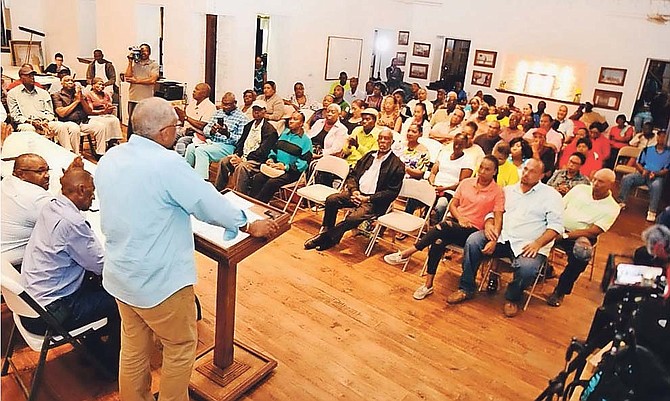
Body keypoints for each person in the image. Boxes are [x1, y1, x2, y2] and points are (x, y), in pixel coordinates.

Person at [94, 97, 278, 401]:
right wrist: (247, 223)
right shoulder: (167, 163)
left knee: (134, 348)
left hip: (120, 274)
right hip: (158, 282)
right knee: (179, 348)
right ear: (166, 131)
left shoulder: (112, 156)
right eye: (176, 127)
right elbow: (206, 202)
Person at [20, 162, 120, 364]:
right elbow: (102, 266)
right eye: (92, 192)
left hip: (31, 304)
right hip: (50, 314)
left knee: (94, 282)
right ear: (81, 190)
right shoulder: (72, 223)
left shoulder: (53, 206)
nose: (93, 197)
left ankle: (93, 345)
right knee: (121, 299)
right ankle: (110, 363)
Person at [446, 159, 564, 318]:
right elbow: (492, 213)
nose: (526, 174)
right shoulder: (508, 190)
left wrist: (538, 243)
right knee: (473, 241)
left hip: (529, 244)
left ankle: (512, 298)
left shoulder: (551, 196)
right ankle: (466, 287)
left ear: (542, 175)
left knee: (528, 268)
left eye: (532, 171)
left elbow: (556, 227)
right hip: (502, 236)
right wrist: (488, 224)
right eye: (525, 169)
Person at [384, 156, 504, 300]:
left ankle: (407, 253)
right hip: (456, 223)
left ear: (495, 171)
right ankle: (427, 285)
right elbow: (453, 205)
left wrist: (494, 239)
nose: (482, 171)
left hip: (474, 231)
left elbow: (498, 218)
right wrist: (460, 218)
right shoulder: (466, 183)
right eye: (481, 167)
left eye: (487, 169)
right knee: (438, 240)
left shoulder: (498, 192)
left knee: (443, 226)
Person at [304, 129, 405, 251]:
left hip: (374, 202)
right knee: (332, 200)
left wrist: (367, 198)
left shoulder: (397, 165)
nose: (383, 141)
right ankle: (328, 231)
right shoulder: (369, 156)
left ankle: (324, 238)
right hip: (356, 193)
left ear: (392, 142)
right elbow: (353, 175)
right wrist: (354, 191)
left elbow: (391, 193)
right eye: (381, 138)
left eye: (386, 139)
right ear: (378, 140)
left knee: (353, 218)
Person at [546, 169, 620, 307]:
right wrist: (554, 227)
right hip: (558, 226)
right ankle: (544, 268)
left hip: (580, 235)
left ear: (611, 184)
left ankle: (560, 290)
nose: (595, 184)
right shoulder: (580, 189)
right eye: (595, 179)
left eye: (601, 182)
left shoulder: (613, 207)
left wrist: (564, 236)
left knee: (581, 255)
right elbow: (559, 207)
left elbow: (593, 232)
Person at [1, 154, 54, 267]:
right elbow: (72, 220)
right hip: (17, 267)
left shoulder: (6, 182)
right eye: (40, 172)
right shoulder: (36, 198)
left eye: (47, 170)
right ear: (21, 174)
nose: (47, 175)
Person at [215, 100, 278, 191]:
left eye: (259, 110)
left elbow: (263, 152)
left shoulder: (270, 130)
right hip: (243, 156)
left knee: (242, 167)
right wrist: (236, 154)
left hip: (257, 160)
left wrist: (244, 159)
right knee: (224, 161)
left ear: (265, 111)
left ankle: (240, 195)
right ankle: (218, 190)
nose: (256, 112)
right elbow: (240, 143)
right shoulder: (248, 125)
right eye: (254, 109)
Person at [250, 111, 312, 203]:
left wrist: (285, 167)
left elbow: (304, 164)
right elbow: (274, 150)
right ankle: (250, 202)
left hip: (292, 172)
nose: (291, 121)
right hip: (276, 167)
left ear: (301, 123)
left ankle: (258, 205)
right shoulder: (284, 134)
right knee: (258, 177)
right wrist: (271, 159)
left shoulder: (306, 141)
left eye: (295, 119)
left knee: (272, 182)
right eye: (290, 118)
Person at [184, 92, 248, 179]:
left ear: (235, 103)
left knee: (201, 151)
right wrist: (211, 131)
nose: (225, 107)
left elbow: (241, 141)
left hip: (228, 146)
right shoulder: (218, 113)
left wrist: (227, 134)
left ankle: (202, 182)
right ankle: (186, 177)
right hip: (212, 142)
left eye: (228, 105)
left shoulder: (242, 118)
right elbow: (206, 129)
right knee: (191, 148)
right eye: (223, 104)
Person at [619, 130, 670, 222]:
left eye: (663, 137)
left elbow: (666, 170)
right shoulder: (647, 149)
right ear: (657, 137)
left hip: (657, 176)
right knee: (627, 178)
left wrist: (655, 173)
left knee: (656, 185)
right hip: (643, 173)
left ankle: (652, 211)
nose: (661, 139)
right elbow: (638, 163)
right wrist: (643, 170)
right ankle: (621, 202)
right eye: (659, 136)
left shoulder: (668, 153)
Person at [428, 133, 474, 222]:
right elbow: (433, 172)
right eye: (455, 143)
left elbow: (462, 183)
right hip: (433, 187)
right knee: (416, 197)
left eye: (460, 145)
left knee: (441, 204)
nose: (456, 146)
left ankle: (435, 225)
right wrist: (432, 184)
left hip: (449, 191)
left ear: (465, 145)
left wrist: (444, 188)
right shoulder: (444, 154)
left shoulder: (468, 161)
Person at [7, 65, 61, 137]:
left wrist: (45, 121)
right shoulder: (13, 93)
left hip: (44, 121)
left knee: (63, 126)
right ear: (21, 77)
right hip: (26, 123)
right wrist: (31, 122)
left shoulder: (43, 93)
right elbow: (15, 116)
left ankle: (68, 148)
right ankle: (34, 148)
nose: (32, 77)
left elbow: (50, 112)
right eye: (28, 75)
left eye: (32, 75)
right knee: (29, 129)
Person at [124, 43, 159, 138]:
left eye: (145, 51)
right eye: (141, 50)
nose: (143, 53)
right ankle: (130, 141)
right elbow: (127, 76)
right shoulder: (135, 64)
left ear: (149, 52)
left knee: (146, 121)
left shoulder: (153, 64)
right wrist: (130, 62)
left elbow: (152, 80)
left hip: (147, 98)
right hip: (134, 97)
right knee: (132, 122)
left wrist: (136, 81)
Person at [173, 82, 217, 149]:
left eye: (197, 89)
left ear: (204, 94)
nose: (194, 91)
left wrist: (186, 117)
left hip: (197, 135)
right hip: (184, 131)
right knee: (167, 136)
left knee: (181, 142)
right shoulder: (192, 104)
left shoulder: (210, 107)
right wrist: (179, 114)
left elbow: (204, 126)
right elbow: (184, 121)